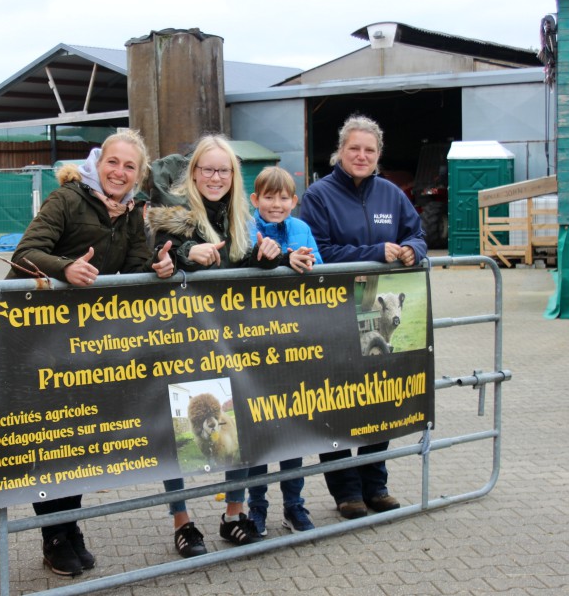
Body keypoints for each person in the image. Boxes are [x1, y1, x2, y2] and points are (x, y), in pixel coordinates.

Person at [7, 129, 174, 577]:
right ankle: (54, 536)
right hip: (39, 341)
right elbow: (25, 254)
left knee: (79, 441)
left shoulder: (133, 214)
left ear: (138, 176)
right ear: (97, 165)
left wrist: (160, 266)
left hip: (87, 346)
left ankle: (70, 526)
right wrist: (66, 268)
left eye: (129, 166)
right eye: (112, 162)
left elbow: (137, 267)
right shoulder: (66, 199)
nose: (119, 172)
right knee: (51, 441)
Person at [146, 134, 282, 558]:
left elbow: (245, 261)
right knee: (178, 422)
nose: (216, 177)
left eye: (224, 170)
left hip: (231, 340)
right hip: (182, 336)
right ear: (194, 172)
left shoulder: (243, 215)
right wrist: (189, 254)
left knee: (245, 416)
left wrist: (270, 255)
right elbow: (162, 252)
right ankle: (182, 522)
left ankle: (234, 514)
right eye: (208, 169)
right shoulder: (175, 211)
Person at [299, 114, 427, 520]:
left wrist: (412, 251)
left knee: (379, 398)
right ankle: (346, 490)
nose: (361, 155)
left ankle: (376, 484)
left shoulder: (392, 194)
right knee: (336, 401)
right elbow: (317, 252)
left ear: (378, 155)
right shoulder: (318, 196)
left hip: (378, 314)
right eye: (354, 148)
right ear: (340, 150)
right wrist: (374, 252)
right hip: (333, 313)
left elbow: (418, 233)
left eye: (369, 150)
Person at [244, 166, 320, 536]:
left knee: (292, 429)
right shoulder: (245, 226)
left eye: (284, 198)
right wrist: (279, 260)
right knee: (258, 430)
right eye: (268, 197)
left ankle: (295, 505)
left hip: (294, 342)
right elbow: (243, 268)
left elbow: (319, 266)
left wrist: (306, 260)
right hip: (257, 343)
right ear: (255, 200)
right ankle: (255, 506)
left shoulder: (302, 229)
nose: (276, 204)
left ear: (294, 201)